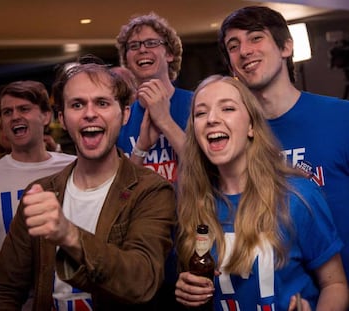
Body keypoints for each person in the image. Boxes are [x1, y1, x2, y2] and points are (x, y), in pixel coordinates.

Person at [0, 62, 176, 310]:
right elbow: (4, 288)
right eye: (77, 105)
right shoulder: (41, 192)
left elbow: (142, 282)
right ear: (62, 119)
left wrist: (69, 235)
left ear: (125, 114)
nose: (89, 113)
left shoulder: (150, 191)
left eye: (102, 103)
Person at [174, 75, 348, 310]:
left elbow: (335, 284)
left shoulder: (297, 197)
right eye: (201, 113)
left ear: (251, 126)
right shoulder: (191, 203)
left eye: (227, 108)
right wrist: (186, 290)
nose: (212, 119)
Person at [217, 5, 349, 281]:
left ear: (286, 47)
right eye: (233, 45)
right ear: (231, 66)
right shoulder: (232, 137)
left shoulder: (341, 117)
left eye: (256, 38)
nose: (245, 50)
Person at [0, 80, 75, 286]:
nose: (15, 116)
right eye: (7, 112)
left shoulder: (76, 168)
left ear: (46, 116)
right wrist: (14, 273)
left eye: (24, 109)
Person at [116, 12, 193, 183]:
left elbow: (208, 169)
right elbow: (123, 190)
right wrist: (141, 148)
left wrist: (165, 121)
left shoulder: (197, 104)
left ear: (169, 54)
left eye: (151, 43)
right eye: (134, 46)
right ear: (126, 61)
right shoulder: (121, 117)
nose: (142, 49)